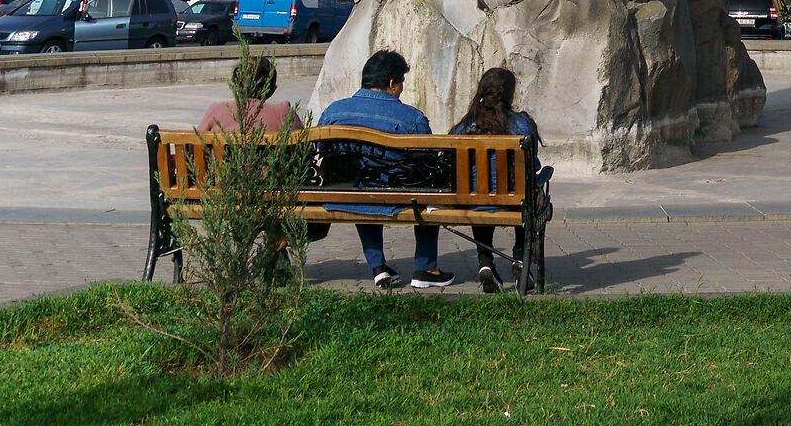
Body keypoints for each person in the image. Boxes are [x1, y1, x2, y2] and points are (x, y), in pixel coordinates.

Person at [317, 49, 455, 290]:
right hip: (394, 196)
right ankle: (426, 268)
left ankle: (378, 267)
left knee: (360, 184)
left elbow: (321, 150)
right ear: (392, 83)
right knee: (427, 187)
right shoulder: (412, 119)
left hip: (344, 194)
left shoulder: (333, 112)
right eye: (401, 82)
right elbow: (429, 162)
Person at [451, 67, 542, 294]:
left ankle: (485, 262)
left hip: (473, 202)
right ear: (509, 94)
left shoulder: (463, 128)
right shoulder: (523, 125)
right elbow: (533, 166)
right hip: (515, 203)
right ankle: (520, 260)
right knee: (526, 193)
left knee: (480, 195)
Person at [198, 54, 297, 133]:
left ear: (235, 85)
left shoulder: (215, 110)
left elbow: (193, 145)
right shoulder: (283, 112)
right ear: (271, 90)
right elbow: (301, 145)